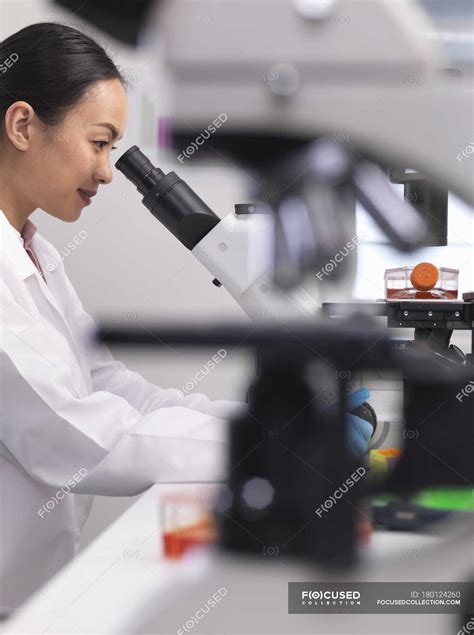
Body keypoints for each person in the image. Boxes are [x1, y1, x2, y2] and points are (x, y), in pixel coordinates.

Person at [0, 22, 373, 613]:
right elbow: (78, 437)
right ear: (23, 125)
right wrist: (263, 447)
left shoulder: (33, 252)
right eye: (99, 143)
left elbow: (108, 387)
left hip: (29, 590)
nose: (105, 172)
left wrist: (266, 424)